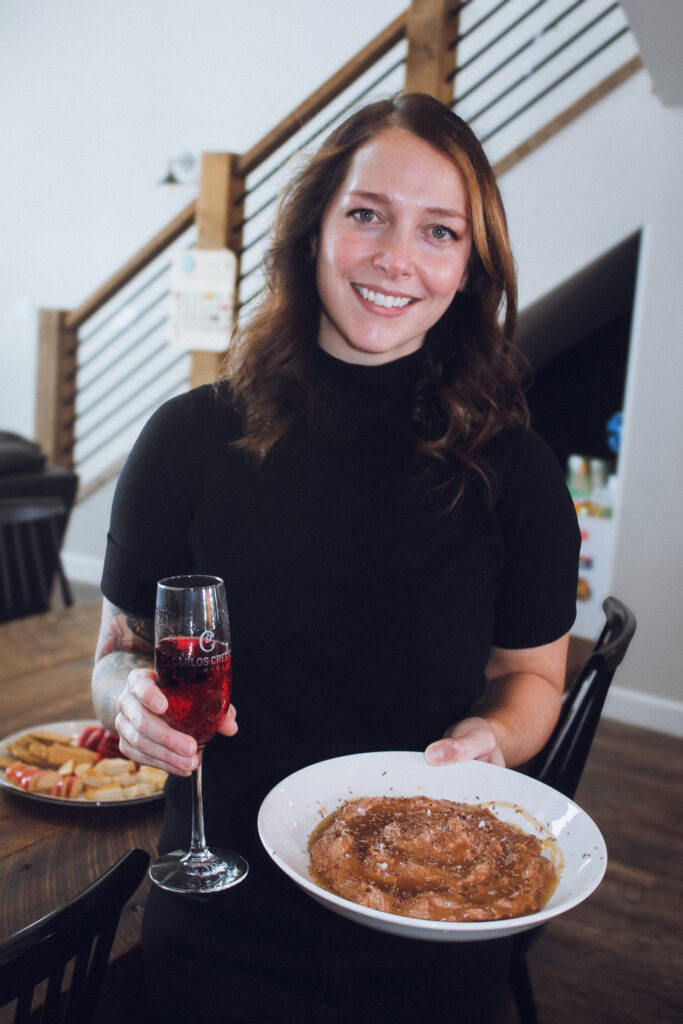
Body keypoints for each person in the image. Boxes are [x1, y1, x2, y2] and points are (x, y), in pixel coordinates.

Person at [92, 92, 580, 1024]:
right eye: (367, 215)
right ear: (312, 230)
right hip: (218, 908)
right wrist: (126, 700)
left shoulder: (514, 472)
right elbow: (118, 653)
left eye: (439, 231)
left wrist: (493, 737)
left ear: (468, 267)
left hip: (435, 923)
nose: (397, 258)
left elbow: (531, 680)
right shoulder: (186, 439)